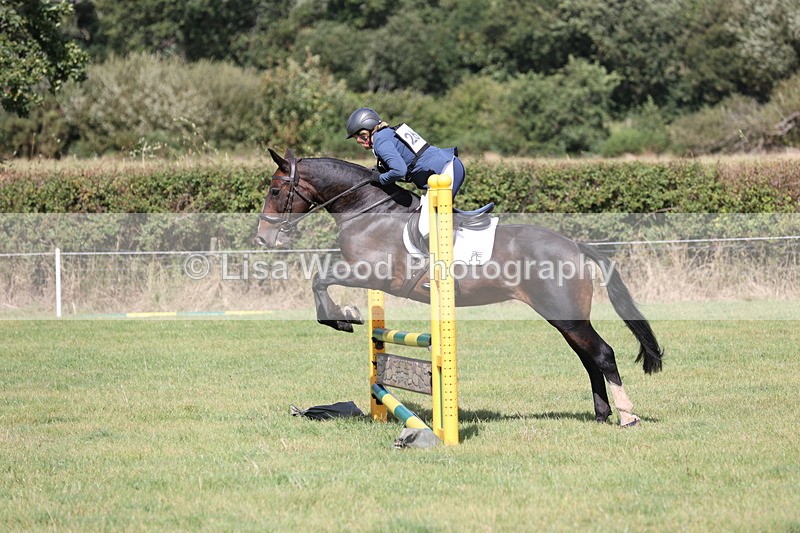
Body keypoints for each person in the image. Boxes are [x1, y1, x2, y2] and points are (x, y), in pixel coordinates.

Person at [345, 107, 465, 197]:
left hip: (446, 171)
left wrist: (380, 178)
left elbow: (399, 171)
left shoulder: (380, 141)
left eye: (359, 137)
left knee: (431, 222)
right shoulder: (386, 133)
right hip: (446, 167)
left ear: (367, 133)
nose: (359, 142)